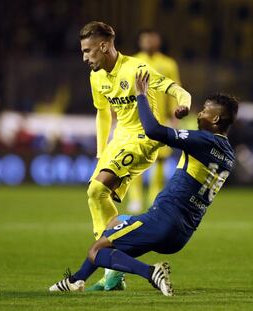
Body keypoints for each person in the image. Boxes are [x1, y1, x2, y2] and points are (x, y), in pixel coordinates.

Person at [49, 71, 238, 296]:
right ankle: (76, 280)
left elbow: (153, 131)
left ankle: (151, 273)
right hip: (182, 233)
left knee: (96, 250)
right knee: (114, 225)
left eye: (206, 110)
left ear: (216, 119)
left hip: (162, 220)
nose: (200, 113)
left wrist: (141, 96)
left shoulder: (203, 140)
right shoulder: (228, 154)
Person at [79, 21, 191, 290]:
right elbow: (103, 112)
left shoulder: (135, 68)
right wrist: (100, 151)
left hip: (144, 137)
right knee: (95, 195)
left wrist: (184, 104)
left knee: (98, 189)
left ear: (104, 46)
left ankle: (110, 267)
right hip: (120, 139)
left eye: (88, 51)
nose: (84, 57)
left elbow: (176, 89)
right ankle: (116, 268)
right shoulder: (96, 76)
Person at [128, 29, 182, 214]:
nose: (149, 42)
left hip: (161, 120)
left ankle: (154, 198)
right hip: (137, 119)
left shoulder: (168, 63)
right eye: (146, 39)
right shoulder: (132, 61)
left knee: (160, 161)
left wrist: (175, 116)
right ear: (140, 41)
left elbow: (174, 89)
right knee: (136, 160)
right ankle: (135, 199)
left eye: (152, 39)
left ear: (158, 41)